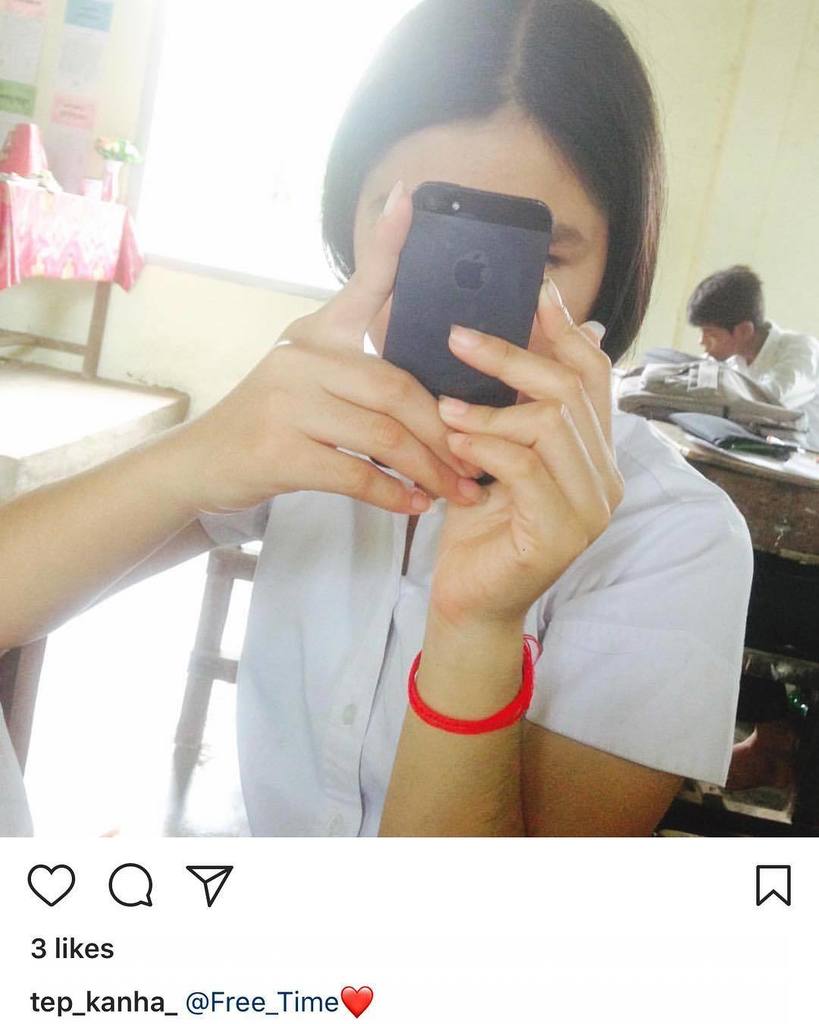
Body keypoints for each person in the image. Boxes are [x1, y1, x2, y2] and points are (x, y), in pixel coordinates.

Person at [0, 0, 753, 837]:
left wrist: (478, 633)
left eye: (536, 259)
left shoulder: (675, 540)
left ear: (616, 263)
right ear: (350, 215)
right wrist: (194, 456)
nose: (461, 313)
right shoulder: (316, 423)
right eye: (417, 234)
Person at [688, 265, 819, 447]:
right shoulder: (729, 358)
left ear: (744, 331)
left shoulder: (801, 350)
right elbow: (696, 391)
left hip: (807, 459)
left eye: (711, 334)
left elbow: (765, 403)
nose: (701, 341)